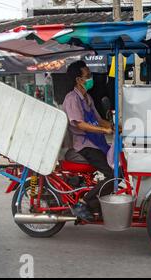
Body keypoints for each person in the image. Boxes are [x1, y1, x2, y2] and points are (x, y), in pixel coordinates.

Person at [63, 61, 115, 221]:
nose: (91, 78)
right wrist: (105, 130)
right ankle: (83, 203)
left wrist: (116, 126)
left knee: (118, 171)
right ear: (79, 80)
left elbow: (98, 120)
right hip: (84, 146)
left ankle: (95, 205)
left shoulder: (87, 97)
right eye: (88, 75)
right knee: (112, 175)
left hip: (96, 142)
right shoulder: (72, 99)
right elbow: (80, 124)